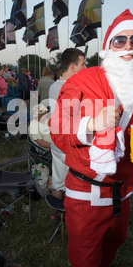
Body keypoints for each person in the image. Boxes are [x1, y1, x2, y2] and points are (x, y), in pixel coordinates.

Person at [49, 10, 133, 267]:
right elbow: (57, 127)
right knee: (85, 262)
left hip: (124, 191)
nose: (128, 46)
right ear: (109, 46)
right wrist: (92, 124)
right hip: (86, 194)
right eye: (120, 40)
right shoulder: (82, 80)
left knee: (114, 244)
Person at [48, 48, 86, 221]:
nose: (86, 68)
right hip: (70, 144)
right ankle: (73, 220)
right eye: (83, 64)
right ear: (72, 67)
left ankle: (54, 215)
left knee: (57, 180)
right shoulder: (75, 88)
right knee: (75, 185)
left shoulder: (53, 86)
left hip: (56, 142)